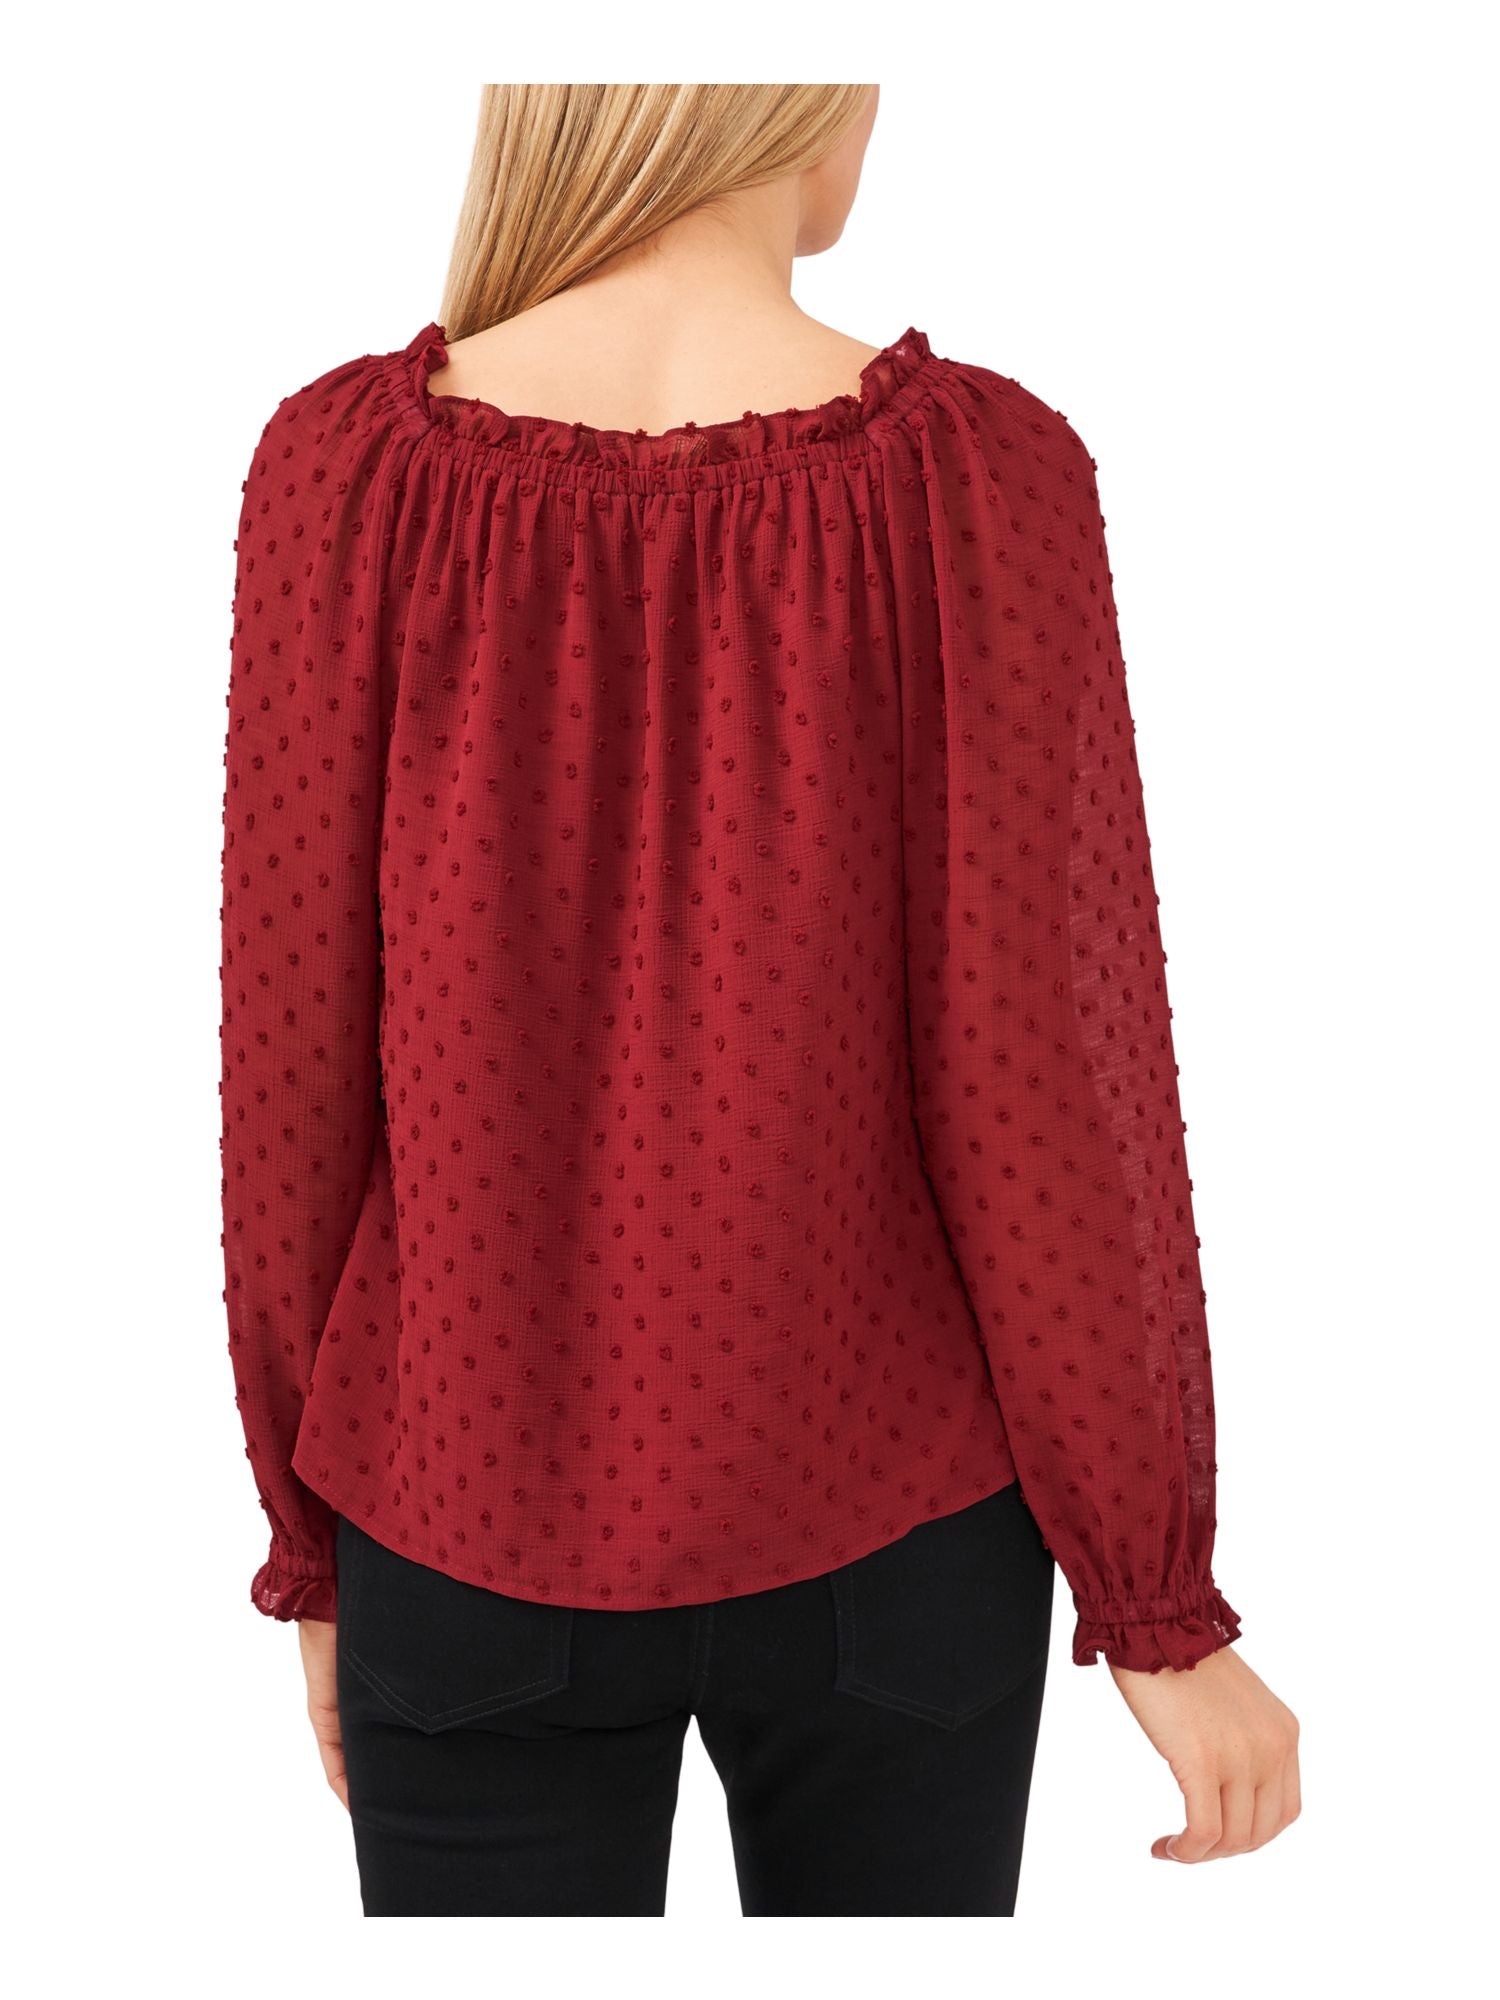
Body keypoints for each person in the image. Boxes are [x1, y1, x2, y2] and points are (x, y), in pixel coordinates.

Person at [218, 82, 1300, 1917]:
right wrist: (1156, 1597)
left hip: (457, 1516)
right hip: (900, 1528)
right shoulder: (985, 480)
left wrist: (312, 1543)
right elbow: (1050, 1090)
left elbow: (290, 1067)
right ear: (809, 97)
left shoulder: (342, 474)